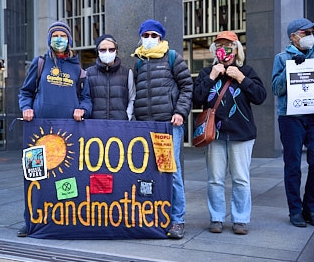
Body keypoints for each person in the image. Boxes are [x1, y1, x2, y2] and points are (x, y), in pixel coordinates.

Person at [17, 20, 92, 236]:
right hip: (38, 132)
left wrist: (83, 110)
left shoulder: (78, 69)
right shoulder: (39, 63)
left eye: (63, 35)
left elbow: (86, 99)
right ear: (50, 39)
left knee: (65, 178)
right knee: (35, 178)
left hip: (68, 134)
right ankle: (31, 220)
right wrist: (26, 108)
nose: (59, 39)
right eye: (55, 35)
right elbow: (26, 92)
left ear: (69, 40)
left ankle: (62, 219)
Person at [193, 31, 266, 235]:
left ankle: (240, 219)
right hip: (214, 135)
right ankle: (216, 218)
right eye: (219, 45)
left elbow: (260, 97)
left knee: (241, 179)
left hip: (241, 134)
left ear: (236, 49)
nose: (223, 49)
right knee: (215, 179)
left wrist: (241, 78)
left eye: (228, 45)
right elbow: (196, 98)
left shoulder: (247, 71)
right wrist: (211, 77)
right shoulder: (207, 71)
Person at [132, 19, 193, 239]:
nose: (149, 39)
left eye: (153, 36)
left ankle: (177, 220)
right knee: (147, 171)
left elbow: (187, 86)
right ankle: (154, 215)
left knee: (171, 171)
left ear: (161, 37)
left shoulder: (172, 57)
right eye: (146, 35)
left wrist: (179, 112)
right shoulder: (138, 60)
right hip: (143, 126)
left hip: (167, 126)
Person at [272, 18, 314, 227]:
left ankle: (310, 208)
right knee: (293, 165)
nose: (310, 36)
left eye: (312, 32)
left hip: (313, 115)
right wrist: (290, 69)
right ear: (294, 36)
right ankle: (295, 211)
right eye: (306, 33)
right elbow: (276, 89)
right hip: (291, 117)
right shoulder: (281, 58)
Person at [87, 34, 135, 120]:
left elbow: (132, 98)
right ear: (98, 52)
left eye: (111, 49)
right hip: (95, 125)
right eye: (103, 50)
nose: (107, 52)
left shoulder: (127, 73)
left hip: (120, 125)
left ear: (116, 52)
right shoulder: (88, 73)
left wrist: (128, 116)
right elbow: (86, 99)